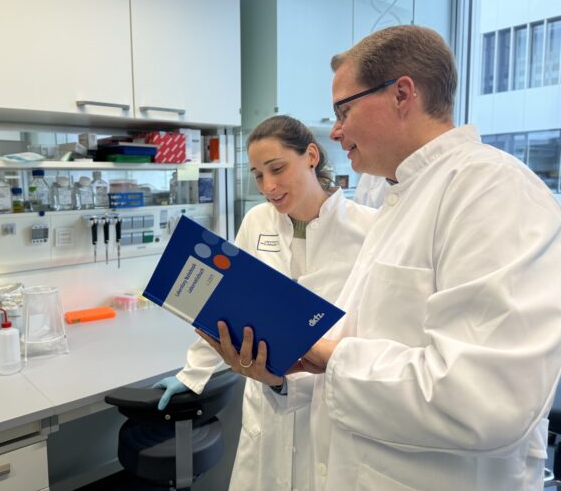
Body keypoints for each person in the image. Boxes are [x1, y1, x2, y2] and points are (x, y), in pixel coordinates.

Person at [198, 25, 561, 490]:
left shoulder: (491, 191)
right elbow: (370, 345)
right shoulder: (402, 200)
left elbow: (487, 399)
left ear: (401, 94)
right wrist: (282, 372)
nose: (336, 130)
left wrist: (327, 356)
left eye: (344, 110)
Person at [154, 115, 376, 490]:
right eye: (258, 175)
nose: (268, 187)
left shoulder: (368, 228)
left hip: (328, 401)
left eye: (277, 168)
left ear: (310, 156)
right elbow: (224, 301)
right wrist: (191, 373)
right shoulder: (257, 220)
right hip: (267, 401)